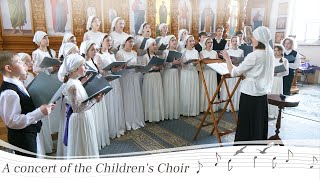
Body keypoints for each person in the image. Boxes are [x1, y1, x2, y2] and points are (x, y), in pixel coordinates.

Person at [220, 26, 274, 142]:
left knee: (247, 122)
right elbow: (257, 72)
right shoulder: (269, 54)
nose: (251, 39)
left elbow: (234, 72)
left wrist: (227, 59)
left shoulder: (254, 55)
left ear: (259, 39)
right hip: (261, 94)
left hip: (250, 93)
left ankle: (243, 145)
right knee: (258, 122)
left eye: (253, 36)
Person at [0, 51, 55, 157]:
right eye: (20, 62)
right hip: (22, 138)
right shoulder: (9, 92)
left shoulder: (18, 83)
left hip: (29, 133)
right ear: (8, 68)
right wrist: (39, 112)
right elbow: (12, 122)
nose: (25, 65)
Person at [61, 54, 103, 158]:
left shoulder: (77, 82)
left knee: (87, 144)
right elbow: (77, 108)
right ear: (75, 68)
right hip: (79, 119)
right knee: (81, 146)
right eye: (83, 65)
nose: (86, 68)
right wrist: (94, 100)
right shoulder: (72, 85)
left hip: (85, 116)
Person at [94, 34, 126, 138]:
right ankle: (109, 130)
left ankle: (117, 127)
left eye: (111, 41)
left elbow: (115, 67)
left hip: (115, 81)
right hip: (106, 82)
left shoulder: (112, 54)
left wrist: (120, 67)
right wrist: (109, 70)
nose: (110, 42)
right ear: (101, 42)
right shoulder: (98, 55)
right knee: (109, 105)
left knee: (116, 103)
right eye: (107, 40)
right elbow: (99, 72)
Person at [32, 31, 58, 155]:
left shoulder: (52, 52)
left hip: (52, 80)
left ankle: (52, 138)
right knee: (45, 110)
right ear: (38, 40)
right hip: (42, 82)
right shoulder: (36, 53)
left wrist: (55, 68)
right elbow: (35, 69)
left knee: (52, 110)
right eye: (44, 38)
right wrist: (49, 69)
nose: (47, 40)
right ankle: (46, 144)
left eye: (48, 38)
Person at [80, 40, 110, 150]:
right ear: (85, 50)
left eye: (96, 50)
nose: (95, 52)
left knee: (99, 117)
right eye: (92, 50)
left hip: (97, 92)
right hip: (89, 94)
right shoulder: (82, 63)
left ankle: (99, 139)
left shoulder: (93, 61)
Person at [116, 35, 145, 129]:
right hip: (125, 78)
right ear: (125, 42)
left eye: (133, 42)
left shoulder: (134, 53)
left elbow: (136, 63)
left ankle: (136, 119)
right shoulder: (120, 53)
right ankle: (128, 121)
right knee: (127, 98)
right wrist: (122, 67)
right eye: (130, 42)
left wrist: (138, 67)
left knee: (135, 97)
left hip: (134, 77)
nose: (132, 44)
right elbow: (117, 68)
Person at [141, 38, 165, 122]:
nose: (155, 46)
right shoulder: (145, 57)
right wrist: (152, 67)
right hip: (149, 78)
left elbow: (161, 68)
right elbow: (143, 70)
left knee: (157, 95)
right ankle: (149, 116)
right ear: (148, 46)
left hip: (157, 77)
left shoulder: (157, 56)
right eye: (153, 45)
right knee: (150, 95)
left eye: (156, 45)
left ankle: (157, 115)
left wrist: (160, 67)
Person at [222, 36, 244, 112]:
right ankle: (227, 105)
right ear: (231, 42)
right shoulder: (228, 51)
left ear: (239, 42)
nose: (235, 43)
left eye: (236, 41)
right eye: (233, 41)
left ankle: (235, 105)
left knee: (236, 88)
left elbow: (242, 62)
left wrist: (238, 61)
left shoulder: (241, 51)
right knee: (229, 87)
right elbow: (224, 61)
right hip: (229, 70)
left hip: (237, 70)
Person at [180, 35, 200, 117]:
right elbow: (181, 64)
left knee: (193, 89)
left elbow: (198, 63)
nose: (192, 42)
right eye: (190, 41)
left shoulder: (196, 52)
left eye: (193, 41)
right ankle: (184, 110)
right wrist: (185, 62)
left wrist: (197, 63)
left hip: (194, 73)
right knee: (186, 90)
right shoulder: (183, 51)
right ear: (186, 42)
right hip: (185, 73)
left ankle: (192, 110)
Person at [162, 35, 181, 120]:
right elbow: (163, 66)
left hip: (175, 73)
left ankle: (174, 112)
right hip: (168, 74)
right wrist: (172, 63)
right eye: (172, 40)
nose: (174, 42)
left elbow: (180, 65)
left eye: (175, 40)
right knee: (168, 92)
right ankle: (168, 113)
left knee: (175, 91)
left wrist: (179, 63)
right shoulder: (165, 52)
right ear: (168, 42)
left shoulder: (177, 51)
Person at [268, 45, 289, 118]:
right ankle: (269, 111)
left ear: (281, 51)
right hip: (270, 79)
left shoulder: (284, 60)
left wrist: (277, 73)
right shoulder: (271, 59)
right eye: (275, 50)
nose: (276, 52)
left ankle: (276, 112)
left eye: (278, 50)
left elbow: (286, 72)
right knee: (270, 94)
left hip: (278, 79)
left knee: (277, 94)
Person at [199, 37, 219, 113]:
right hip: (205, 72)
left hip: (213, 73)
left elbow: (217, 63)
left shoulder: (215, 53)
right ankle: (204, 107)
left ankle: (212, 107)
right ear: (205, 44)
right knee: (205, 88)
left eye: (211, 42)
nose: (210, 44)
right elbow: (201, 64)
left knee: (212, 88)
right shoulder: (202, 52)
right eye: (208, 42)